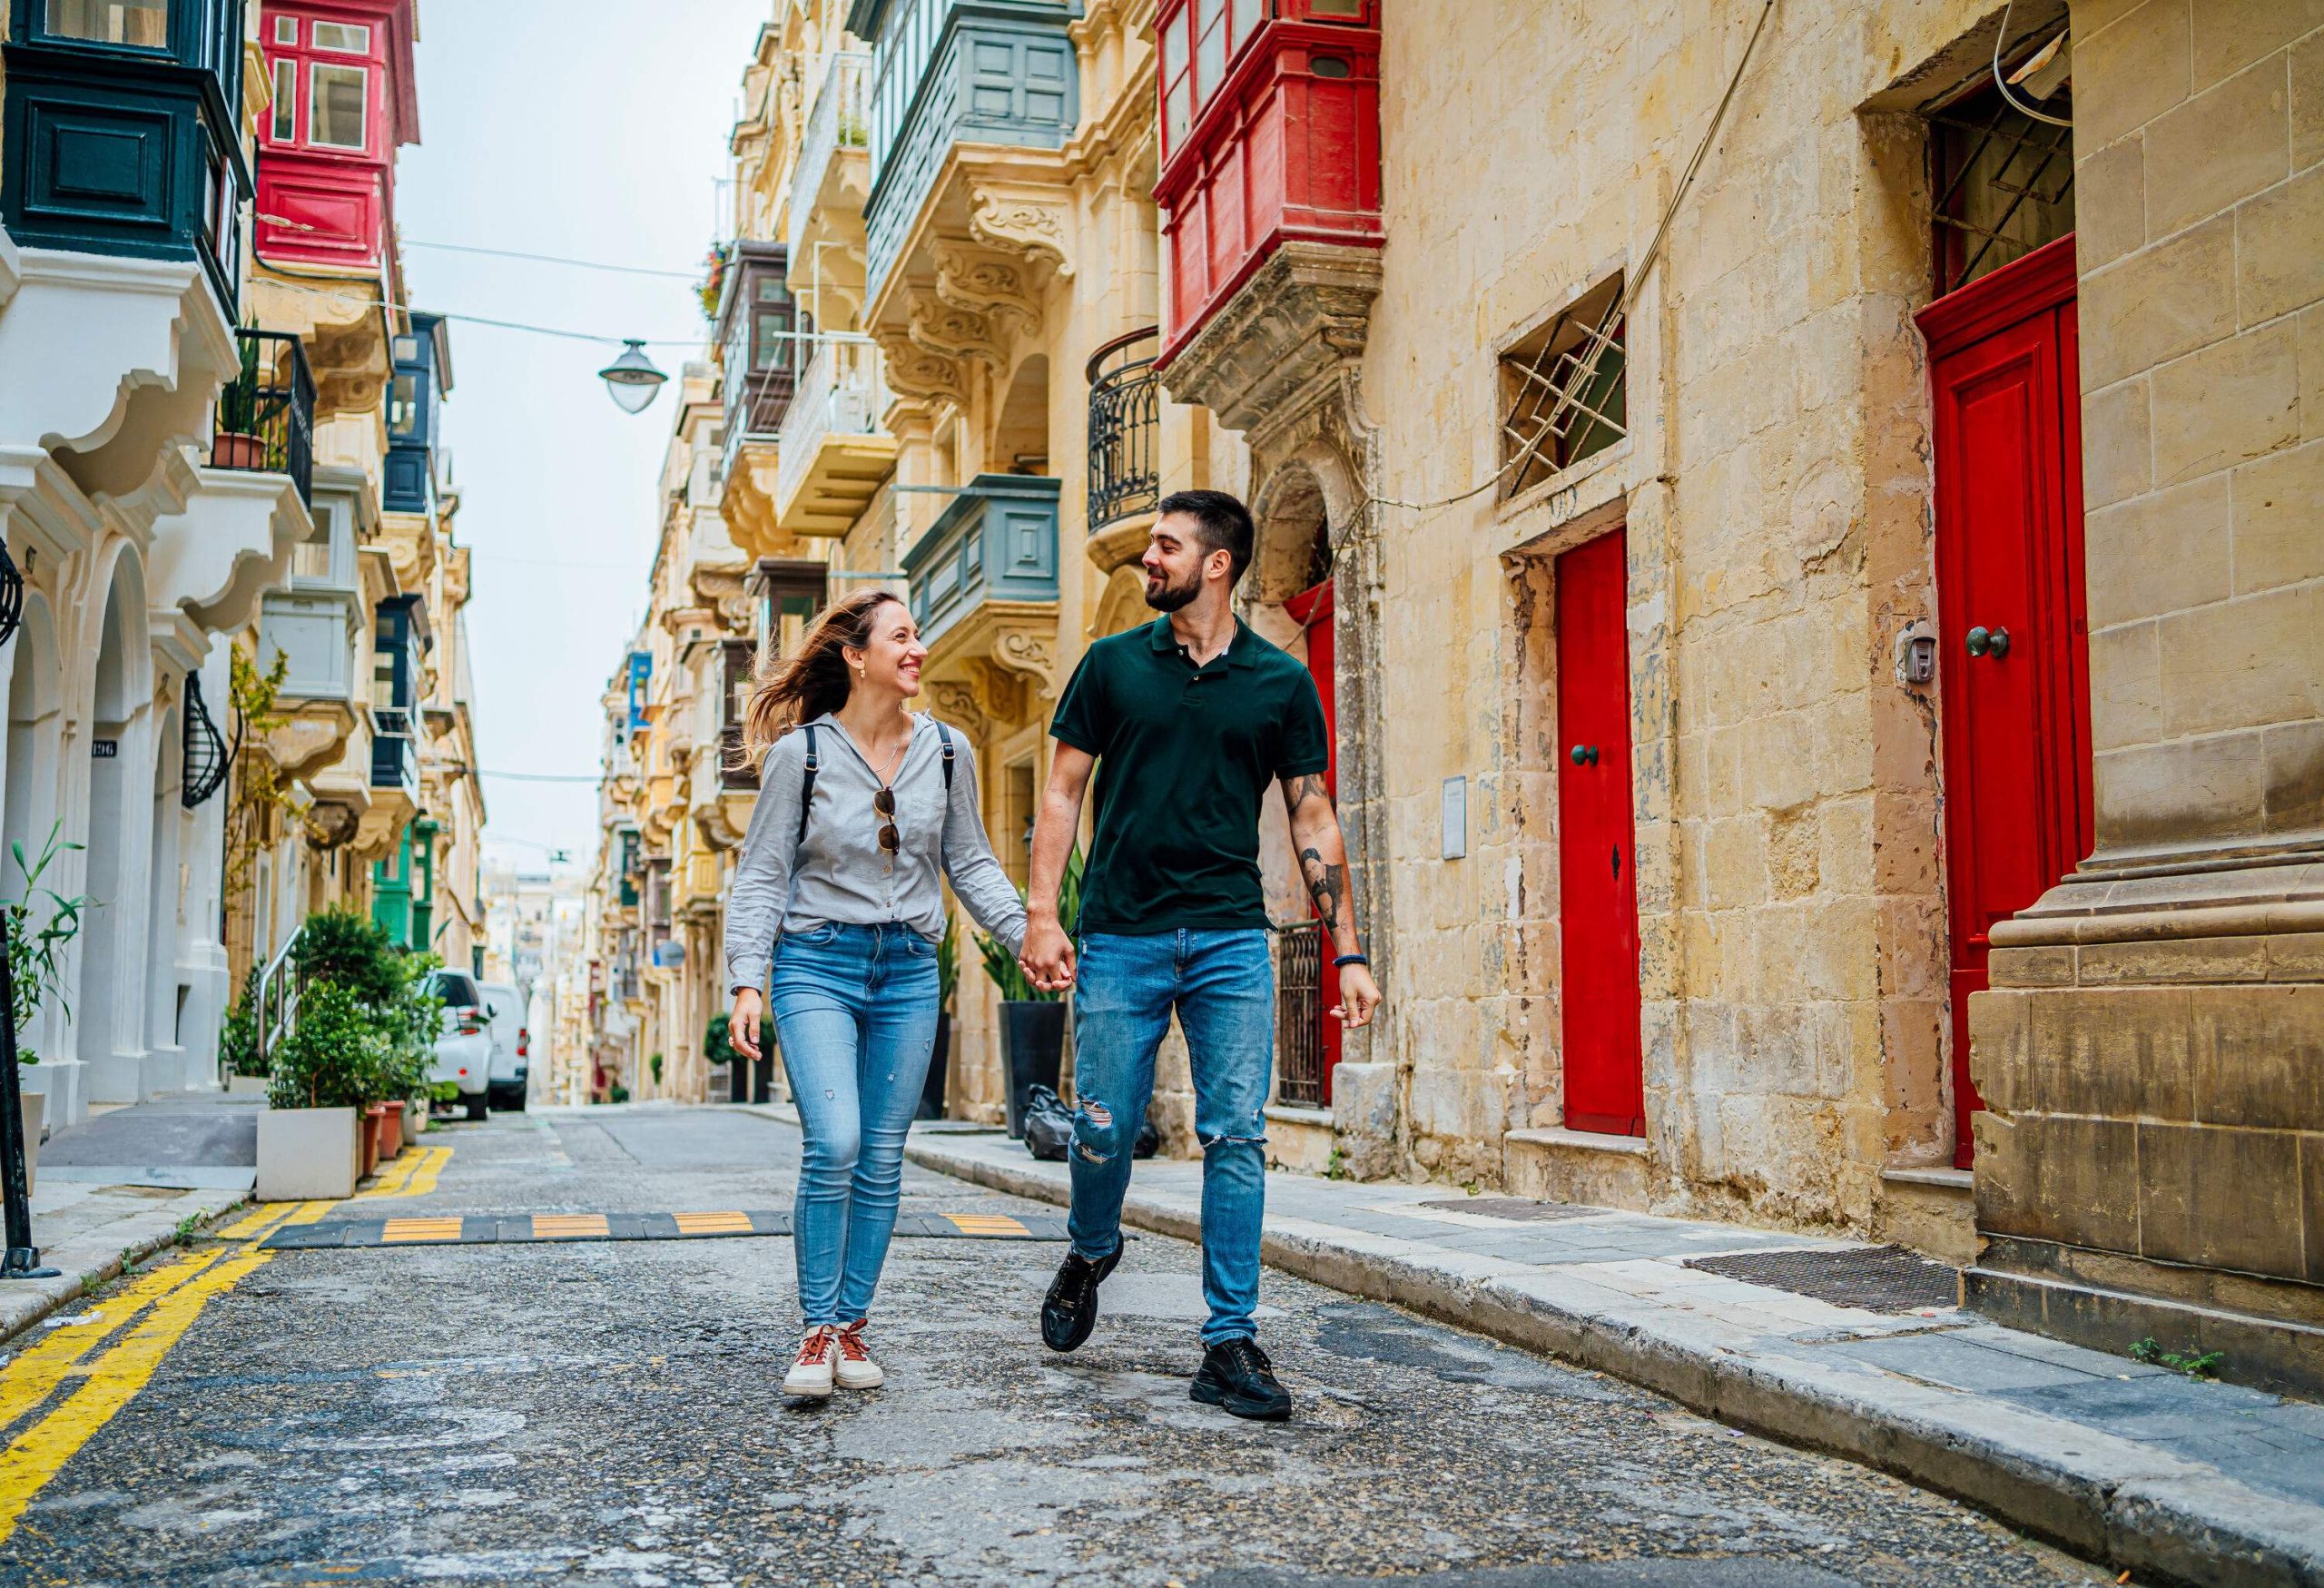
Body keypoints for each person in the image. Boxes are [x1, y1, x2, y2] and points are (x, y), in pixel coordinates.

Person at [1018, 489, 1382, 1422]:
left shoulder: (1275, 682)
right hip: (1121, 935)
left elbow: (1310, 813)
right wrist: (1041, 916)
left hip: (1228, 938)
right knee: (1103, 1127)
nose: (1150, 559)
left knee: (1237, 1135)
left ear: (1215, 564)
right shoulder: (1108, 668)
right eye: (1151, 545)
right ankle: (1092, 1246)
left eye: (1166, 547)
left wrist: (1346, 951)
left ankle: (1228, 1340)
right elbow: (1060, 794)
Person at [724, 588, 1027, 1400]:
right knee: (837, 1141)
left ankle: (852, 1326)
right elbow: (761, 874)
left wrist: (1027, 935)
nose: (918, 648)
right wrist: (747, 981)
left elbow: (970, 864)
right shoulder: (803, 756)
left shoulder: (950, 751)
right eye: (902, 636)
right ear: (857, 656)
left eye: (918, 635)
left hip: (907, 972)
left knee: (885, 1157)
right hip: (815, 963)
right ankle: (816, 1326)